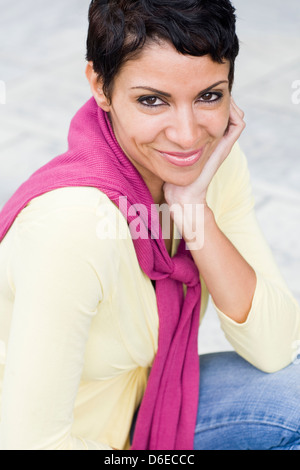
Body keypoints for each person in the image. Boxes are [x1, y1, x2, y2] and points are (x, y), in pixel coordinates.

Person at [0, 0, 300, 451]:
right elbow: (29, 443)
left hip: (154, 405)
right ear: (100, 86)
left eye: (209, 96)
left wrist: (195, 212)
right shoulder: (73, 227)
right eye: (151, 101)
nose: (186, 135)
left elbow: (276, 348)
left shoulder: (211, 167)